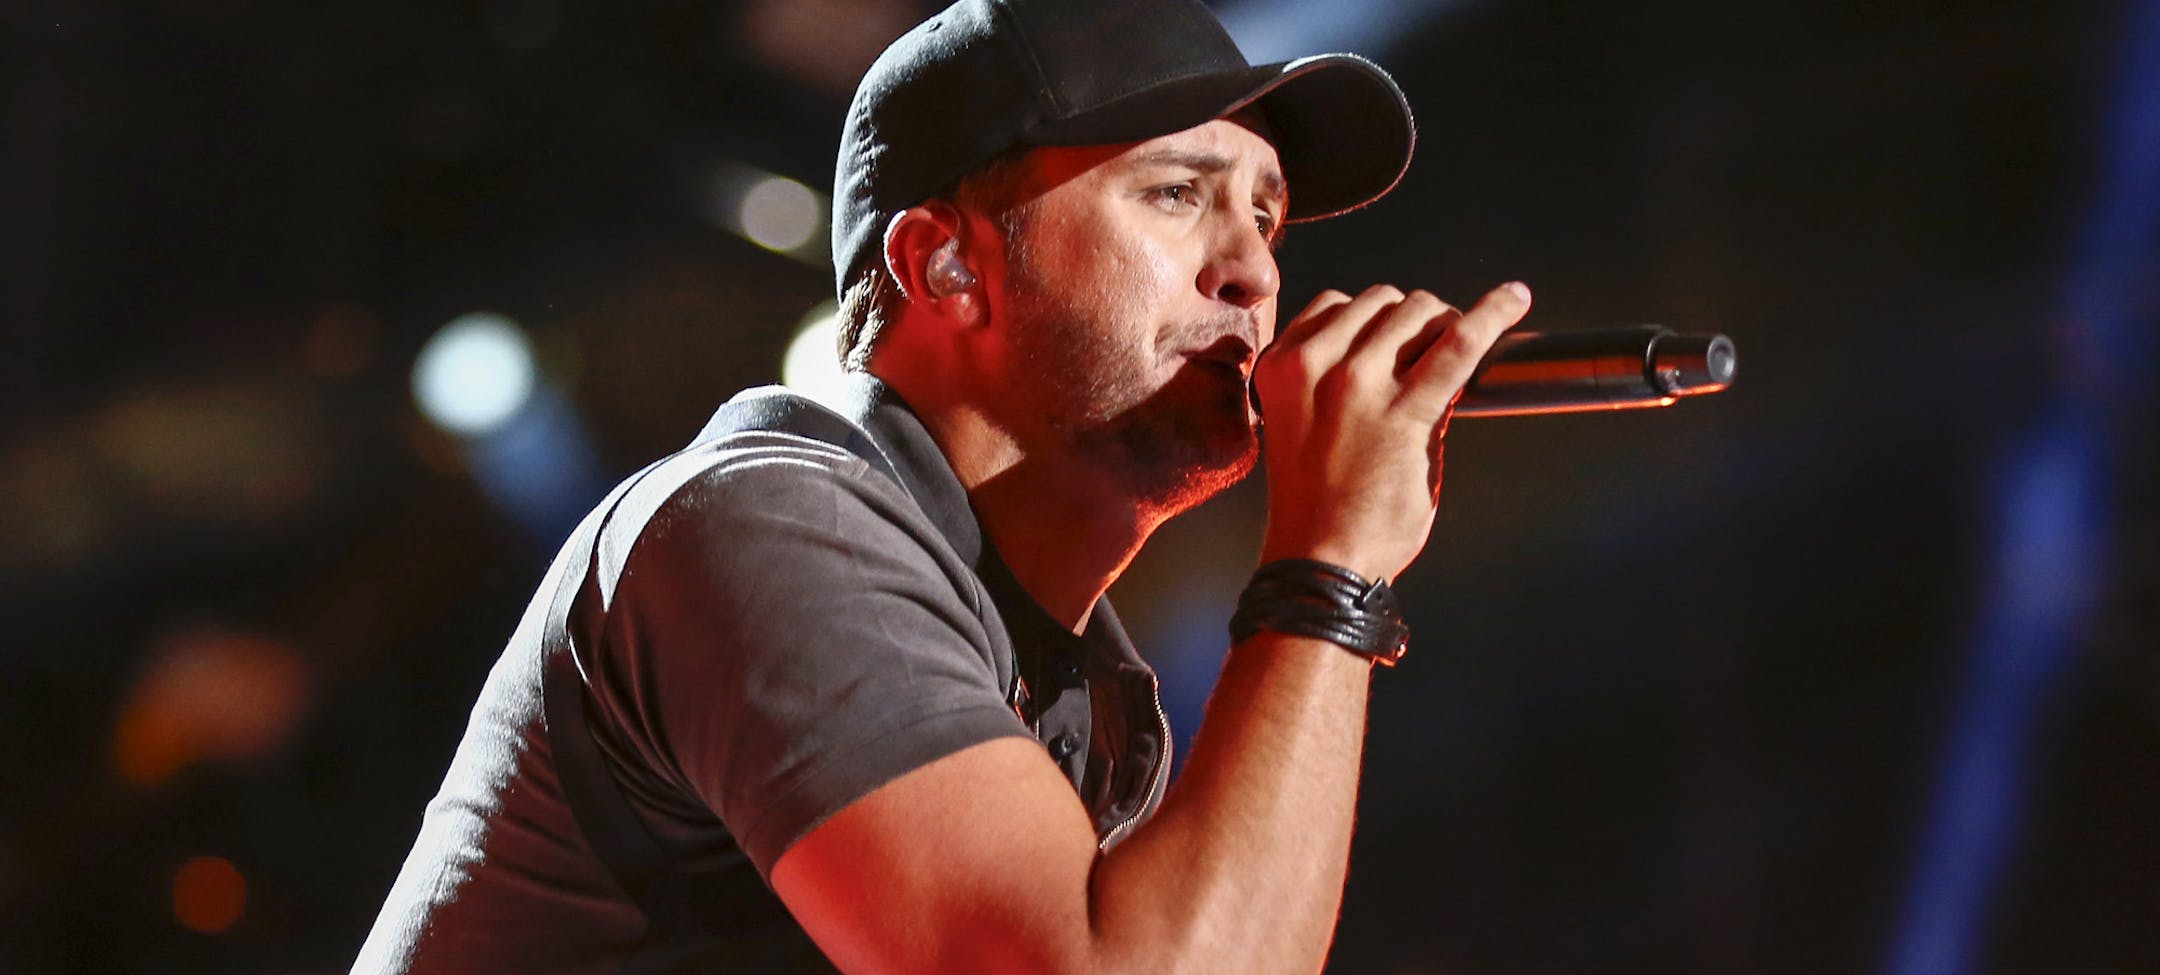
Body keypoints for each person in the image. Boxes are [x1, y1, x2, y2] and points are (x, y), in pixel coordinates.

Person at [355, 0, 1533, 971]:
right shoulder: (760, 524)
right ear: (945, 263)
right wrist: (1329, 572)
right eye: (1178, 194)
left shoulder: (1084, 702)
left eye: (1265, 216)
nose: (1251, 273)